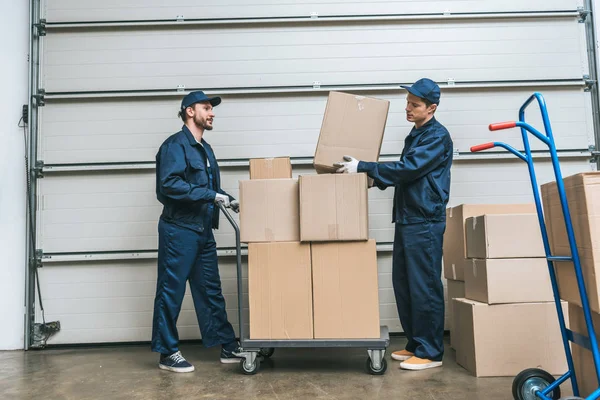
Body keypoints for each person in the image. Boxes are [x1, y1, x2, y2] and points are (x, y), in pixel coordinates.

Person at [335, 78, 453, 371]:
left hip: (425, 221)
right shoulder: (416, 135)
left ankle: (430, 352)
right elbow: (408, 176)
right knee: (405, 284)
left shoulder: (437, 136)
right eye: (407, 102)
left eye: (415, 104)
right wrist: (376, 181)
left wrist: (364, 166)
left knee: (424, 286)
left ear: (432, 107)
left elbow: (410, 168)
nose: (408, 108)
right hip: (408, 217)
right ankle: (416, 343)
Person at [151, 91, 243, 372]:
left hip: (203, 231)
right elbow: (168, 186)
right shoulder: (174, 146)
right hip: (179, 230)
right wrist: (211, 196)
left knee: (210, 290)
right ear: (190, 111)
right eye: (206, 108)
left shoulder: (205, 149)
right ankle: (167, 352)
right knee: (171, 291)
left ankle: (227, 345)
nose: (212, 112)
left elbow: (209, 189)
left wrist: (226, 197)